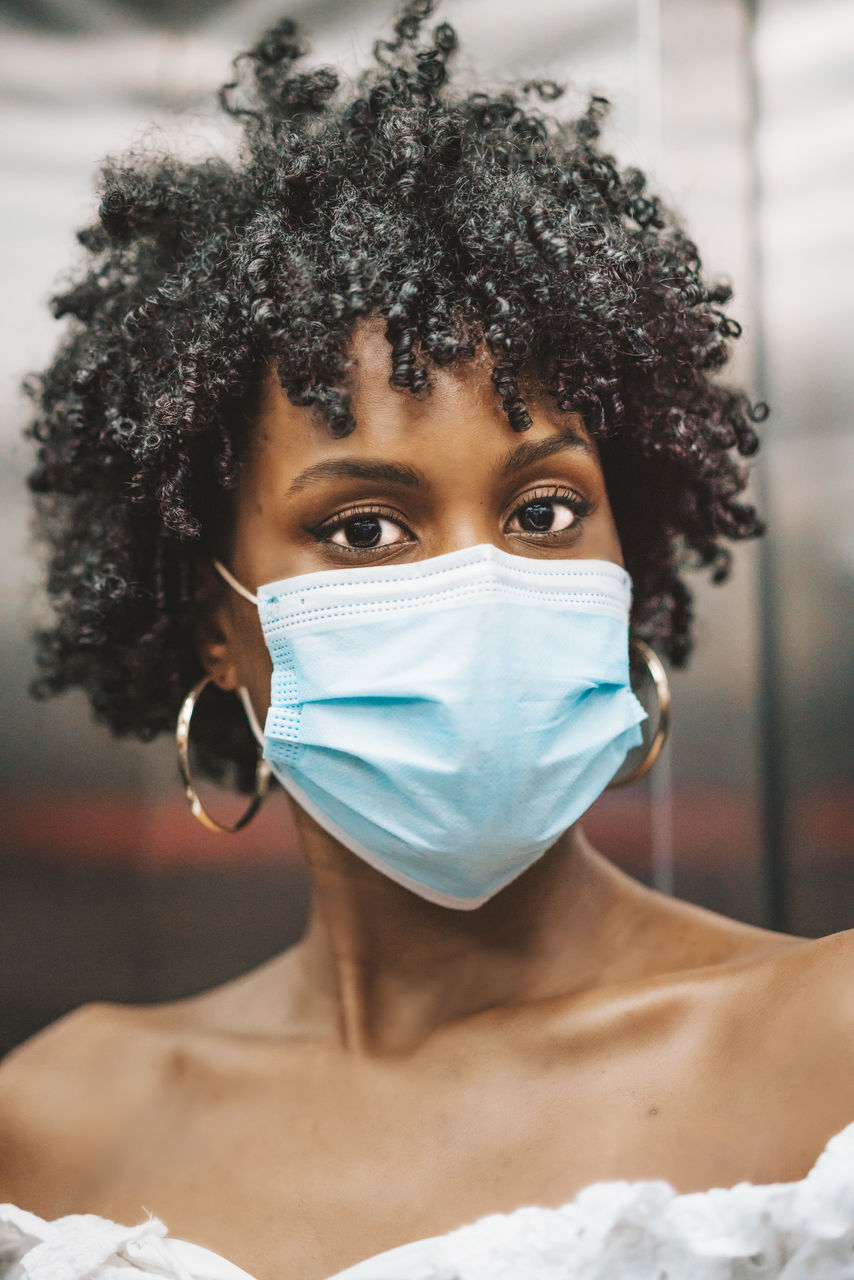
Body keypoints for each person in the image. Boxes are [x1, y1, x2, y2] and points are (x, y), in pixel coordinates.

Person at [1, 3, 853, 1278]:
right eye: (362, 527)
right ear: (213, 622)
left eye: (543, 509)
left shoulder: (827, 1042)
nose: (481, 583)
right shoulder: (52, 1125)